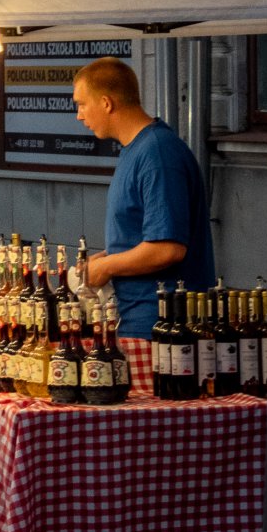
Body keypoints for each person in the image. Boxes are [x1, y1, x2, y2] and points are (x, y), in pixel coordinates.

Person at [73, 57, 215, 340]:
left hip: (162, 327)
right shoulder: (136, 150)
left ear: (105, 103)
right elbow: (143, 237)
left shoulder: (157, 154)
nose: (79, 115)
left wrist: (106, 266)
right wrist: (107, 257)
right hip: (138, 319)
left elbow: (167, 248)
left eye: (81, 104)